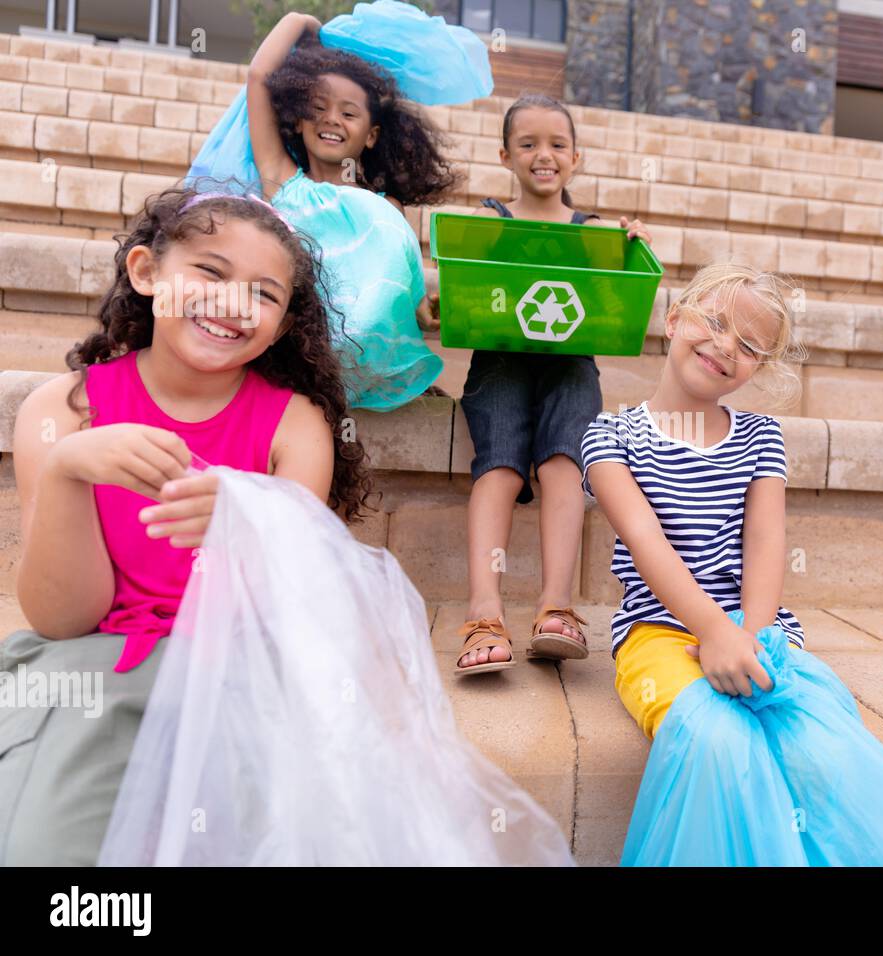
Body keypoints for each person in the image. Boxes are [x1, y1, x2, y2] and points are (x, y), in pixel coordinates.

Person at [0, 187, 369, 865]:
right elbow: (62, 617)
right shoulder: (63, 411)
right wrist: (66, 472)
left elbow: (285, 602)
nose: (233, 303)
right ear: (145, 273)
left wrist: (247, 524)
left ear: (284, 324)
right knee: (42, 852)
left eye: (264, 292)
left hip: (241, 669)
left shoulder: (295, 423)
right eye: (210, 271)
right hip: (94, 667)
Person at [582, 262, 883, 865]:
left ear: (759, 368)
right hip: (658, 632)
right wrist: (713, 632)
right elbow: (647, 543)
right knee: (719, 743)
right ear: (672, 320)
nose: (724, 346)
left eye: (748, 346)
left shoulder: (760, 437)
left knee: (822, 747)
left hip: (759, 627)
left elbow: (765, 543)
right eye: (714, 322)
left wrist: (749, 634)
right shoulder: (610, 436)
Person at [452, 93, 652, 676]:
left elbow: (616, 306)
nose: (544, 155)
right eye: (528, 144)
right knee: (501, 466)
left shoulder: (596, 235)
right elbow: (463, 293)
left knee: (566, 463)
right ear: (505, 155)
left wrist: (628, 251)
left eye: (557, 144)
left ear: (577, 157)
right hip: (500, 361)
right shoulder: (491, 222)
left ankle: (555, 607)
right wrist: (441, 296)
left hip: (571, 365)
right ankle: (484, 611)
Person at [247, 11, 459, 409]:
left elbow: (400, 293)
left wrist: (426, 313)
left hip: (363, 362)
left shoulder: (386, 209)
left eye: (348, 113)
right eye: (319, 107)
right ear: (297, 120)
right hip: (296, 353)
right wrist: (299, 22)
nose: (331, 119)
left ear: (372, 135)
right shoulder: (283, 183)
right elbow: (259, 78)